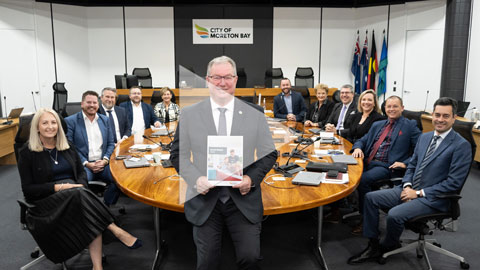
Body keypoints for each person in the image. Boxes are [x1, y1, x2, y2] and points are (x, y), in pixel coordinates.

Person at [170, 56, 277, 270]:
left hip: (242, 199)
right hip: (205, 199)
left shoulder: (255, 113)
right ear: (208, 80)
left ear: (236, 79)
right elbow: (177, 154)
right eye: (217, 77)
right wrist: (195, 179)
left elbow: (269, 154)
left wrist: (251, 179)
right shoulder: (190, 114)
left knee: (250, 258)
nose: (222, 83)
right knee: (207, 262)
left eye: (227, 77)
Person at [348, 97, 472, 265]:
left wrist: (418, 193)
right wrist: (407, 184)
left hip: (434, 197)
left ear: (454, 118)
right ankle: (373, 244)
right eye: (437, 115)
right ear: (432, 115)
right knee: (370, 197)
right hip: (410, 188)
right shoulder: (425, 137)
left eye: (445, 116)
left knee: (394, 214)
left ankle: (388, 245)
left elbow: (453, 183)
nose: (440, 120)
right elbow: (412, 165)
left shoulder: (461, 145)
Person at [18, 108, 141, 270]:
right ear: (37, 127)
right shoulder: (27, 153)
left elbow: (82, 174)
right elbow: (28, 190)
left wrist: (79, 186)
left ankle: (97, 267)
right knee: (84, 201)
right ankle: (114, 228)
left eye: (54, 122)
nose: (50, 126)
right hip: (46, 203)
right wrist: (61, 187)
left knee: (87, 209)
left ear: (59, 125)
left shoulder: (67, 146)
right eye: (45, 123)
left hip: (76, 196)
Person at [349, 96, 421, 234]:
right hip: (367, 161)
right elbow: (362, 140)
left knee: (361, 180)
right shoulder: (378, 124)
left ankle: (366, 220)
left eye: (395, 106)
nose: (391, 109)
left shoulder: (409, 126)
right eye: (389, 106)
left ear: (402, 108)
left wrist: (405, 163)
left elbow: (421, 150)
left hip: (386, 166)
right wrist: (357, 148)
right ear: (385, 108)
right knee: (345, 170)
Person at [65, 91, 119, 206]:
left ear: (98, 105)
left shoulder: (104, 120)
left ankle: (106, 205)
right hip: (84, 165)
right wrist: (86, 163)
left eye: (94, 103)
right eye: (88, 102)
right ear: (82, 104)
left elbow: (110, 143)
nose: (92, 105)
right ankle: (88, 211)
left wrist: (105, 160)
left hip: (103, 163)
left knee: (119, 180)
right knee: (80, 186)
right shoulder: (71, 121)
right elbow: (70, 147)